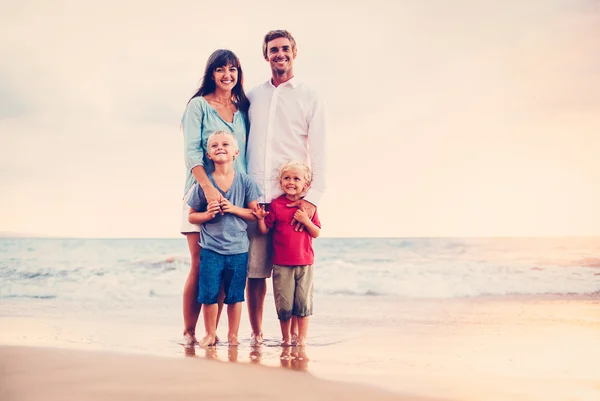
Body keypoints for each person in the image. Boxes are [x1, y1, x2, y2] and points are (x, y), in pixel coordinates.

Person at [246, 30, 327, 344]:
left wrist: (313, 198)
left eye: (284, 48)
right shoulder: (253, 95)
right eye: (273, 50)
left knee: (293, 273)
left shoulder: (310, 96)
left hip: (291, 201)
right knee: (255, 273)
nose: (279, 54)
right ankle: (256, 334)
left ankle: (295, 338)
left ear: (295, 51)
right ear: (265, 56)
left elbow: (320, 149)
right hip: (256, 199)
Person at [180, 49, 249, 346]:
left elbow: (242, 157)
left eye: (232, 69)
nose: (227, 75)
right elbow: (192, 153)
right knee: (200, 264)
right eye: (221, 69)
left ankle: (214, 333)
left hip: (234, 198)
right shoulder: (198, 106)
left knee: (225, 267)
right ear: (211, 73)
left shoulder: (241, 109)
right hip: (200, 193)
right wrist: (209, 192)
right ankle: (189, 332)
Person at [187, 131, 261, 347]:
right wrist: (208, 215)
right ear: (208, 154)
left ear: (236, 152)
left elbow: (254, 215)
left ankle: (233, 335)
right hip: (211, 250)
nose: (220, 147)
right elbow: (191, 216)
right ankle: (210, 333)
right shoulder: (204, 185)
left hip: (239, 250)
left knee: (235, 296)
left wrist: (234, 209)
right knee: (209, 294)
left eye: (225, 144)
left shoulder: (246, 182)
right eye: (214, 145)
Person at [253, 161, 321, 346]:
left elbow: (316, 232)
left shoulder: (308, 207)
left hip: (305, 263)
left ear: (306, 185)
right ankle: (286, 338)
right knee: (284, 304)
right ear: (280, 181)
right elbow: (264, 230)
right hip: (281, 264)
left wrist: (305, 220)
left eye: (296, 179)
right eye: (287, 178)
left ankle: (302, 339)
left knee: (303, 303)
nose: (291, 182)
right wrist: (260, 219)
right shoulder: (276, 205)